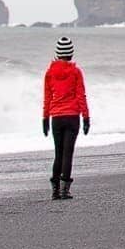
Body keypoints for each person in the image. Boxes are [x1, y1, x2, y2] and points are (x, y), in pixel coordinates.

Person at [41, 35, 92, 200]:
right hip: (72, 118)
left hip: (56, 117)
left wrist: (45, 119)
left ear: (57, 53)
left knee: (58, 153)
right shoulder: (76, 72)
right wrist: (86, 118)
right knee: (68, 154)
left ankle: (55, 190)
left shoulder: (49, 73)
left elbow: (47, 98)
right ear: (71, 54)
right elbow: (81, 96)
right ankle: (65, 190)